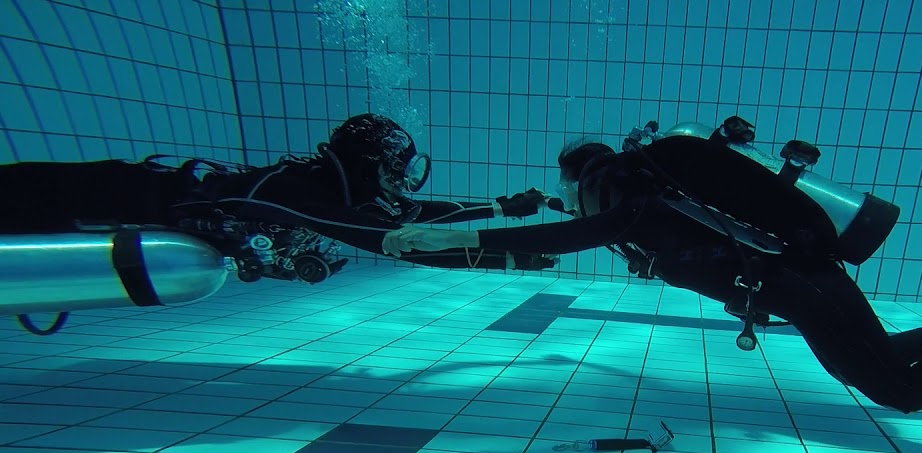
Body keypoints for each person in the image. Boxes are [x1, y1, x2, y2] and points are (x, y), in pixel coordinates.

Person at [381, 115, 922, 415]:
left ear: (581, 177)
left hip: (797, 281)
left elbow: (563, 240)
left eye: (571, 190)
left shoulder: (630, 196)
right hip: (795, 281)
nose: (574, 201)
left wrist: (452, 244)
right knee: (876, 355)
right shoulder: (647, 195)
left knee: (895, 393)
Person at [0, 113, 557, 279]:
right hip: (121, 197)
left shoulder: (337, 191)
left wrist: (502, 208)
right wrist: (505, 254)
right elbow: (397, 241)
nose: (402, 183)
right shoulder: (288, 190)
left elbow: (414, 215)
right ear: (367, 166)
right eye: (395, 168)